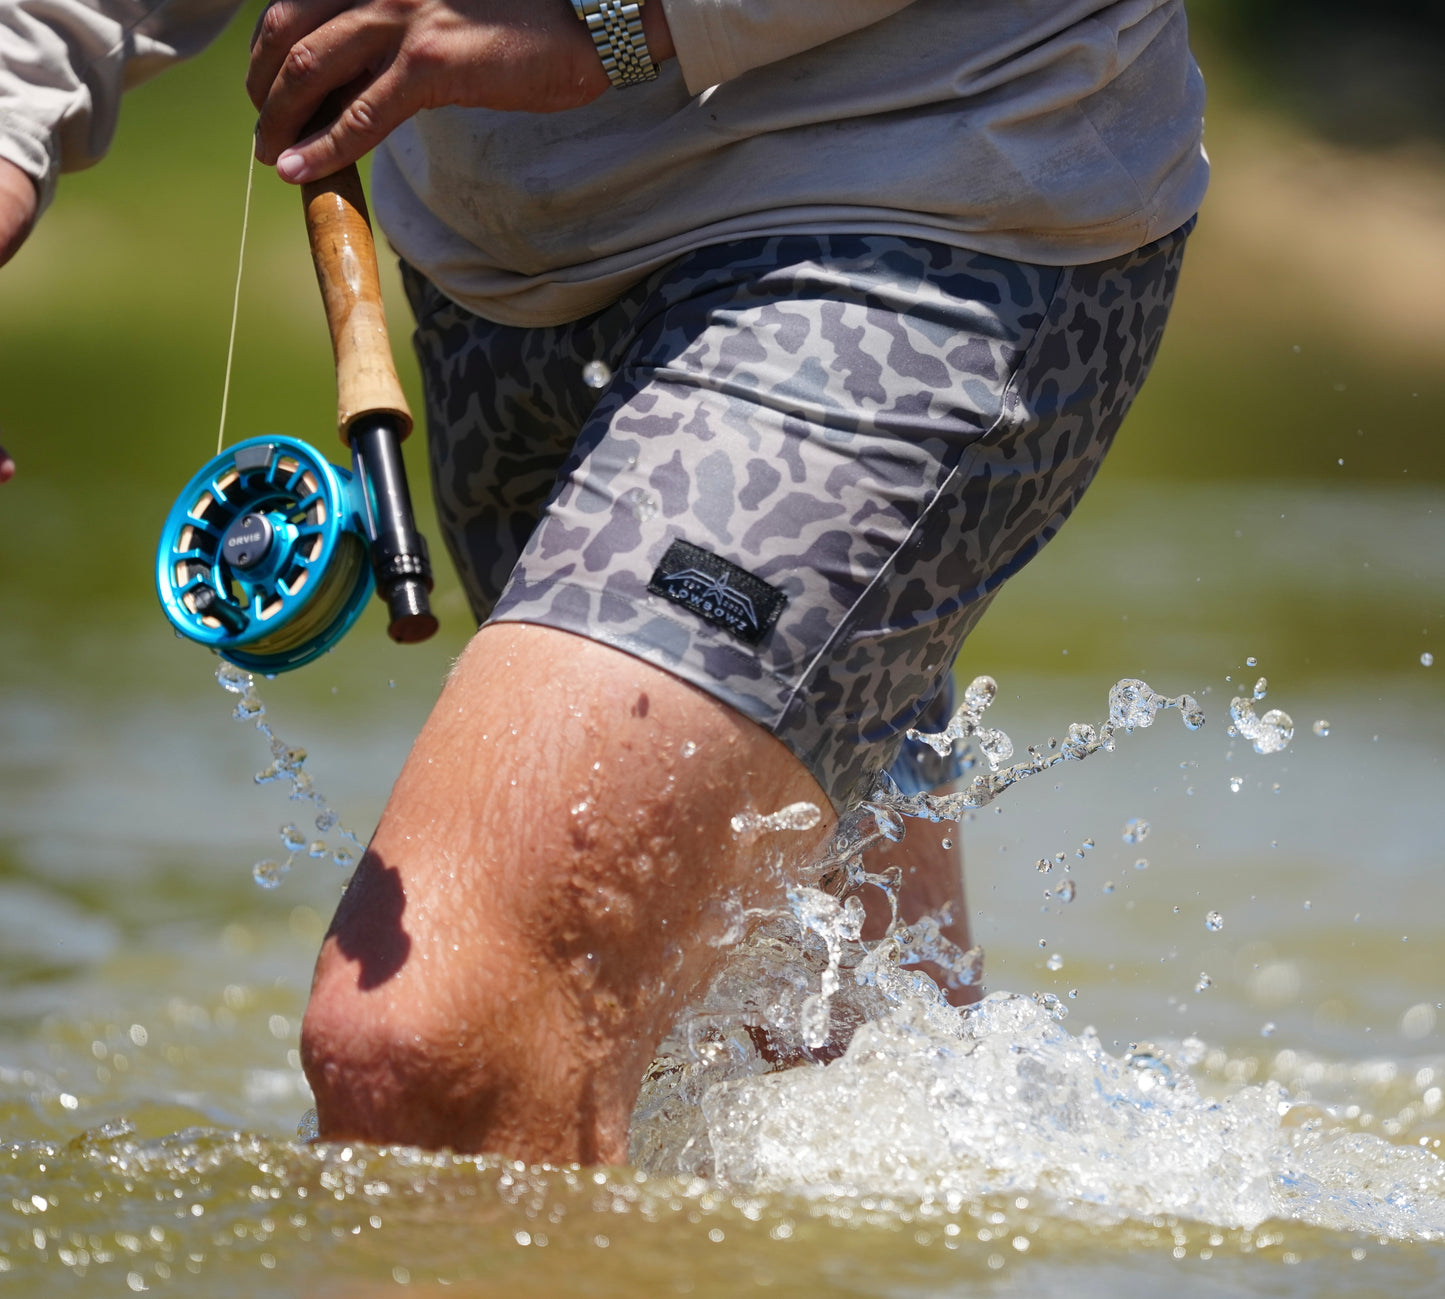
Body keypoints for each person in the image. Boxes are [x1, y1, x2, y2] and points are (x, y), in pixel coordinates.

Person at [0, 0, 1206, 1164]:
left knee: (427, 1048)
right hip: (493, 274)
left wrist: (608, 16)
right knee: (811, 1085)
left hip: (923, 188)